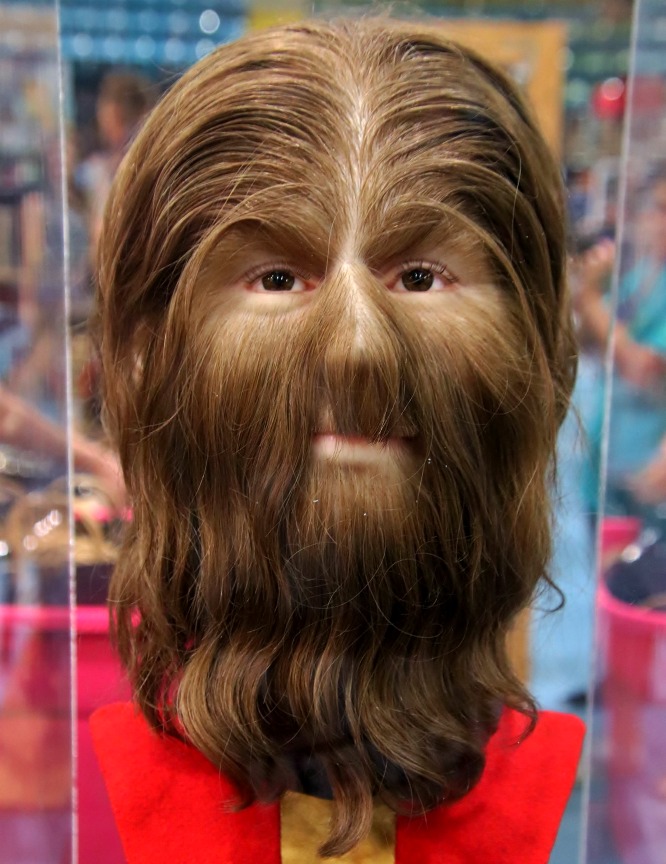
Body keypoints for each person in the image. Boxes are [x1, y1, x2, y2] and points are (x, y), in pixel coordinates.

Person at [90, 18, 583, 863]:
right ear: (151, 352)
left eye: (419, 277)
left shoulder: (552, 794)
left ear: (533, 348)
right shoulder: (88, 784)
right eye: (279, 278)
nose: (357, 346)